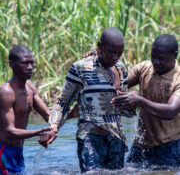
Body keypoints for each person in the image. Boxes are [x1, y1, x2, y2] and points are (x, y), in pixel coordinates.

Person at [40, 27, 136, 173]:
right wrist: (53, 128)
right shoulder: (81, 68)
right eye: (111, 52)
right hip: (90, 138)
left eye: (119, 52)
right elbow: (63, 102)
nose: (115, 57)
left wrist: (130, 103)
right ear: (100, 46)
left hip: (116, 139)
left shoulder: (120, 68)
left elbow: (126, 112)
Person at [111, 34, 180, 168]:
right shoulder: (145, 68)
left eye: (161, 59)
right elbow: (118, 84)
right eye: (153, 56)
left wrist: (140, 101)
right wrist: (100, 60)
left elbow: (170, 111)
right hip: (141, 145)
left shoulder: (178, 79)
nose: (156, 62)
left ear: (174, 55)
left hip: (169, 147)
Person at [0, 45, 54, 175]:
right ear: (11, 64)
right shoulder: (6, 92)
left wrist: (71, 114)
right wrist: (40, 131)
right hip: (4, 152)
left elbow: (48, 115)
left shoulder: (30, 87)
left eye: (32, 63)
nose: (30, 67)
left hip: (18, 152)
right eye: (25, 63)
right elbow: (9, 132)